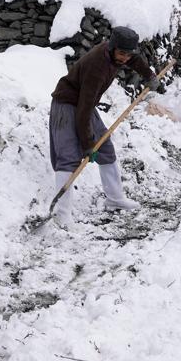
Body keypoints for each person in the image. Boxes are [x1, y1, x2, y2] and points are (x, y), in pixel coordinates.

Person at [49, 26, 158, 224]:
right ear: (113, 47)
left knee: (105, 148)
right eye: (122, 53)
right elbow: (84, 108)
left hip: (85, 104)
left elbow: (133, 59)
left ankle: (115, 199)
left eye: (128, 54)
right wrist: (87, 144)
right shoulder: (97, 66)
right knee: (68, 157)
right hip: (66, 104)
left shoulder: (116, 54)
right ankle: (61, 214)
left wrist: (149, 75)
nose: (125, 58)